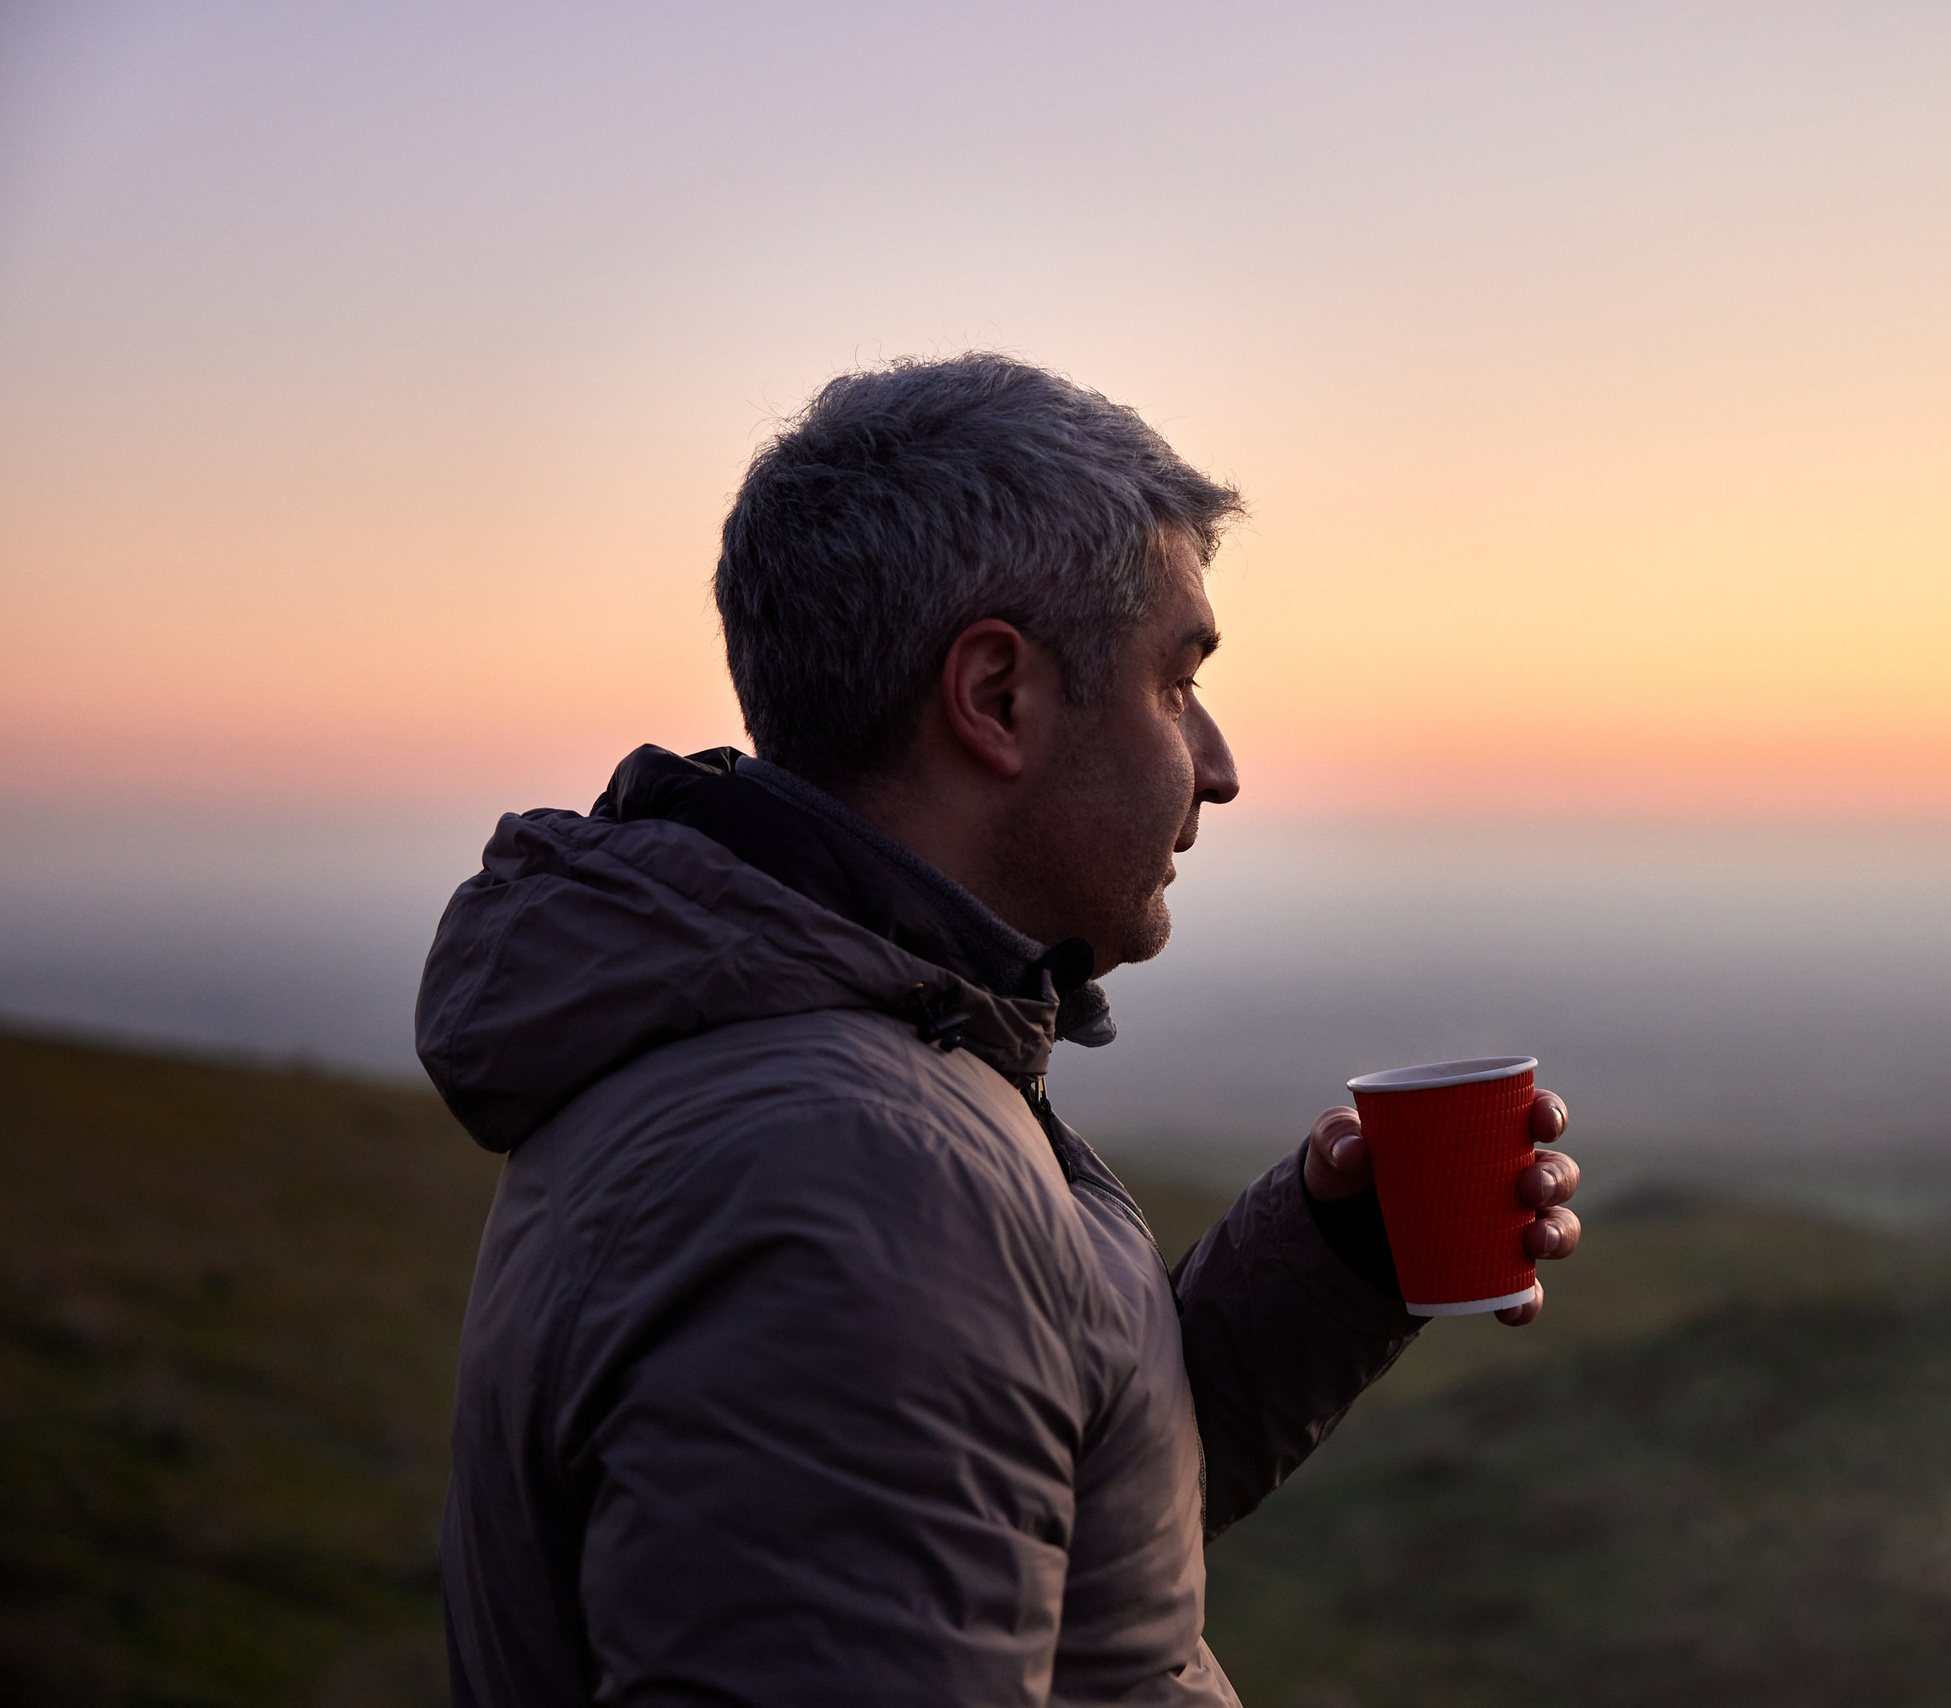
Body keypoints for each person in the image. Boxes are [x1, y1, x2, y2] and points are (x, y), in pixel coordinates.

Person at [416, 354, 1583, 1706]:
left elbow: (1026, 1508)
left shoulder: (849, 1058)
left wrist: (1337, 1266)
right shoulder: (854, 1176)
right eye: (1175, 682)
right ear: (998, 699)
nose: (1218, 765)